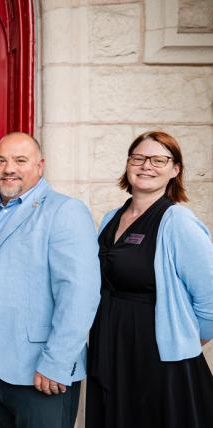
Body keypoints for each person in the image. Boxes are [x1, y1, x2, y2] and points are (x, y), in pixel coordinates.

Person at [0, 132, 100, 428]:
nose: (9, 169)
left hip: (41, 372)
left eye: (20, 160)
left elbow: (79, 295)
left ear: (40, 165)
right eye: (1, 161)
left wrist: (57, 363)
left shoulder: (64, 211)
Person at [85, 131, 213, 427]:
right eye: (139, 158)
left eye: (158, 160)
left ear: (175, 170)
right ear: (128, 164)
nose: (146, 166)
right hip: (110, 344)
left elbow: (210, 299)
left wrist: (186, 340)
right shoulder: (111, 218)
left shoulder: (177, 221)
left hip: (157, 355)